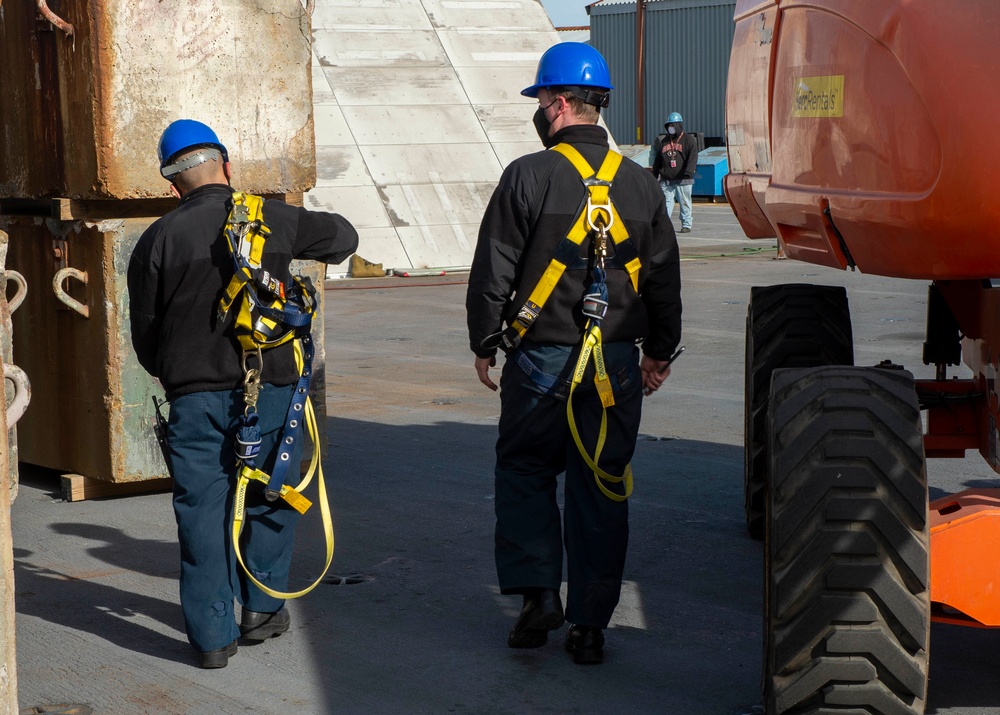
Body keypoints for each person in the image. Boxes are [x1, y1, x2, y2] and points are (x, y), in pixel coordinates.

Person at [466, 43, 682, 665]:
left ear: (559, 103)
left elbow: (494, 269)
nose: (538, 110)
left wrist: (486, 341)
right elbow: (663, 276)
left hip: (541, 362)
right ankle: (591, 625)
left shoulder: (527, 177)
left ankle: (538, 597)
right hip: (615, 366)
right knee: (601, 485)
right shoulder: (642, 185)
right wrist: (659, 351)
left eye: (540, 100)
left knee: (527, 471)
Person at [127, 119, 358, 669]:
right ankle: (263, 609)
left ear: (170, 183)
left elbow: (146, 334)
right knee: (273, 492)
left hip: (194, 399)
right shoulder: (268, 219)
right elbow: (344, 237)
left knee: (201, 511)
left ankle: (212, 639)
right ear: (226, 165)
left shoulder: (157, 240)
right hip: (272, 390)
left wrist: (178, 374)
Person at [650, 111, 699, 233]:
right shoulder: (664, 141)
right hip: (667, 180)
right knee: (666, 204)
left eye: (673, 125)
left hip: (683, 179)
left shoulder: (688, 140)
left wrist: (689, 171)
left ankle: (686, 224)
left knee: (685, 203)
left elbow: (693, 157)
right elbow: (658, 160)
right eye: (669, 125)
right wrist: (654, 175)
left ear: (678, 125)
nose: (670, 128)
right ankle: (664, 225)